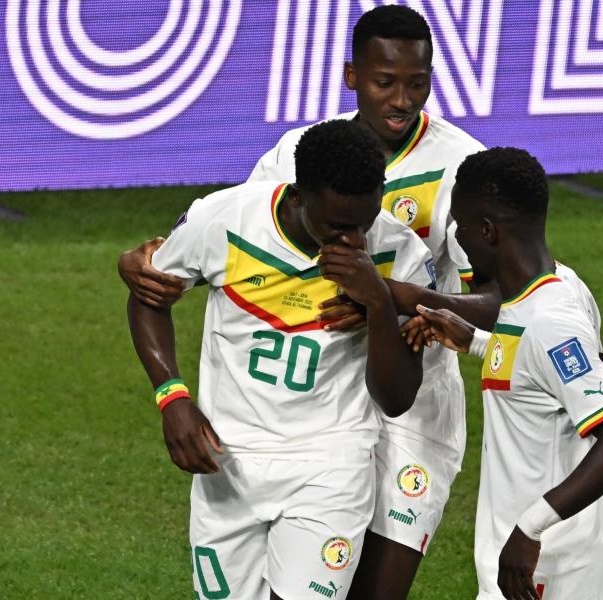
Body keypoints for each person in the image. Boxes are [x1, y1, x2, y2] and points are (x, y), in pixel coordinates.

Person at [118, 6, 496, 598]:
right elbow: (223, 235)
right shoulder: (296, 151)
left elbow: (500, 299)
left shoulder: (461, 169)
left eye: (417, 84)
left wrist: (389, 301)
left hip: (409, 396)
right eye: (385, 82)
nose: (402, 100)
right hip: (301, 408)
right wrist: (145, 264)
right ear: (353, 76)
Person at [126, 120, 435, 600]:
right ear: (297, 197)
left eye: (365, 221)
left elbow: (396, 399)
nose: (355, 240)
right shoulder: (224, 219)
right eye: (338, 226)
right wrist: (172, 396)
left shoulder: (400, 253)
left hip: (332, 464)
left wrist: (378, 301)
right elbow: (149, 294)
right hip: (227, 461)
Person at [410, 147, 603, 600]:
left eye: (460, 225)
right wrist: (473, 341)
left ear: (487, 231)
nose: (456, 236)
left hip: (546, 567)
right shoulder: (533, 303)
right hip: (523, 562)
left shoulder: (552, 320)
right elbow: (544, 382)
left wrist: (529, 528)